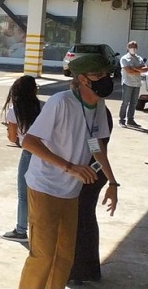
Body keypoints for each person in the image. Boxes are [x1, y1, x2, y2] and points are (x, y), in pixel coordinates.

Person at [18, 53, 119, 289]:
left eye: (106, 74)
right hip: (45, 186)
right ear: (83, 79)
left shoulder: (98, 105)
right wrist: (69, 167)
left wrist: (113, 183)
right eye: (99, 75)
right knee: (43, 255)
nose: (105, 79)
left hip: (71, 191)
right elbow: (29, 142)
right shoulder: (60, 102)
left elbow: (96, 145)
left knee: (64, 256)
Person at [68, 107, 113, 284]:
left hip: (89, 172)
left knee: (80, 221)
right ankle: (88, 270)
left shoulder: (95, 114)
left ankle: (79, 271)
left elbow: (94, 145)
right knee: (85, 219)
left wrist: (112, 180)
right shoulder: (96, 112)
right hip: (93, 171)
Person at [0, 75, 43, 243]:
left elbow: (12, 138)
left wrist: (12, 132)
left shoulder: (14, 111)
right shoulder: (44, 107)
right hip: (47, 153)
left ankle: (20, 230)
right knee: (41, 193)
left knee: (23, 194)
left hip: (28, 152)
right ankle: (40, 229)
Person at [118, 40, 146, 128]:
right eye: (131, 47)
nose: (133, 48)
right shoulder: (124, 58)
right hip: (127, 83)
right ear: (127, 48)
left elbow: (145, 69)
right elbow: (129, 71)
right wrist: (138, 69)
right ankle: (122, 120)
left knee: (134, 103)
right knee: (125, 102)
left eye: (134, 47)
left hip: (137, 84)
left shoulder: (139, 58)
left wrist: (134, 68)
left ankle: (131, 120)